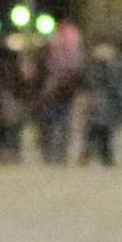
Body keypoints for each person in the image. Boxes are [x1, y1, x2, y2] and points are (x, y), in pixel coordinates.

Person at [34, 22, 84, 164]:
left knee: (55, 124)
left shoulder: (48, 55)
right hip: (57, 94)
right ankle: (55, 154)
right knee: (57, 124)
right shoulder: (73, 56)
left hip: (58, 94)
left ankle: (53, 153)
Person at [78, 41, 120, 166]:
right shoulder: (100, 69)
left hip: (98, 101)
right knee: (99, 130)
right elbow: (112, 86)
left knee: (96, 130)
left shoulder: (95, 68)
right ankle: (100, 156)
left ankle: (92, 155)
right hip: (100, 101)